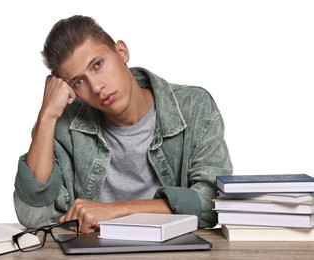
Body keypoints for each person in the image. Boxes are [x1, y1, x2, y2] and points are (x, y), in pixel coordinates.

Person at [13, 15, 233, 233]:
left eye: (97, 64)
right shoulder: (63, 125)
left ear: (121, 51)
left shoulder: (194, 107)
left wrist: (116, 211)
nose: (97, 86)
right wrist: (47, 115)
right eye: (79, 82)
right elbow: (35, 215)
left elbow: (213, 202)